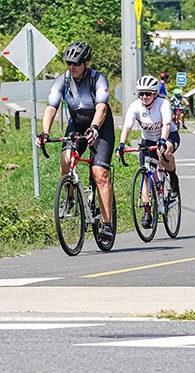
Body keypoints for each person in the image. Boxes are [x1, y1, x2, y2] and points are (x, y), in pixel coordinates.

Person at [35, 42, 115, 240]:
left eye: (76, 63)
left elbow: (102, 109)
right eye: (69, 63)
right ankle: (70, 196)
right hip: (77, 125)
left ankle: (107, 225)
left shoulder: (98, 79)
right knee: (66, 158)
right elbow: (51, 107)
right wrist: (44, 132)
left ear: (86, 63)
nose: (71, 67)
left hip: (101, 126)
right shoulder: (62, 80)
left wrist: (95, 128)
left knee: (100, 173)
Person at [116, 75, 182, 229]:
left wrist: (163, 140)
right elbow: (127, 126)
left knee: (163, 153)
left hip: (168, 136)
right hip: (147, 141)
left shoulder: (163, 104)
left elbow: (166, 124)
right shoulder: (135, 106)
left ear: (154, 94)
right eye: (141, 94)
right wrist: (121, 144)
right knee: (146, 175)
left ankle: (172, 177)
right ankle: (147, 212)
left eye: (148, 94)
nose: (144, 97)